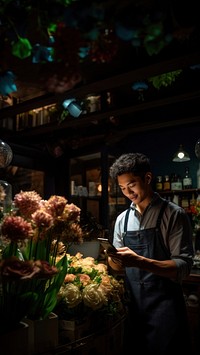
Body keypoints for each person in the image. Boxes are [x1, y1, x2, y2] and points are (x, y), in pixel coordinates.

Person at [107, 152, 194, 355]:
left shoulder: (173, 214)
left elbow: (182, 267)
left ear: (147, 178)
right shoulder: (122, 219)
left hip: (166, 311)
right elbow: (118, 268)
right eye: (122, 188)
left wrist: (139, 261)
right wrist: (114, 260)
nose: (128, 192)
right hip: (134, 309)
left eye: (132, 184)